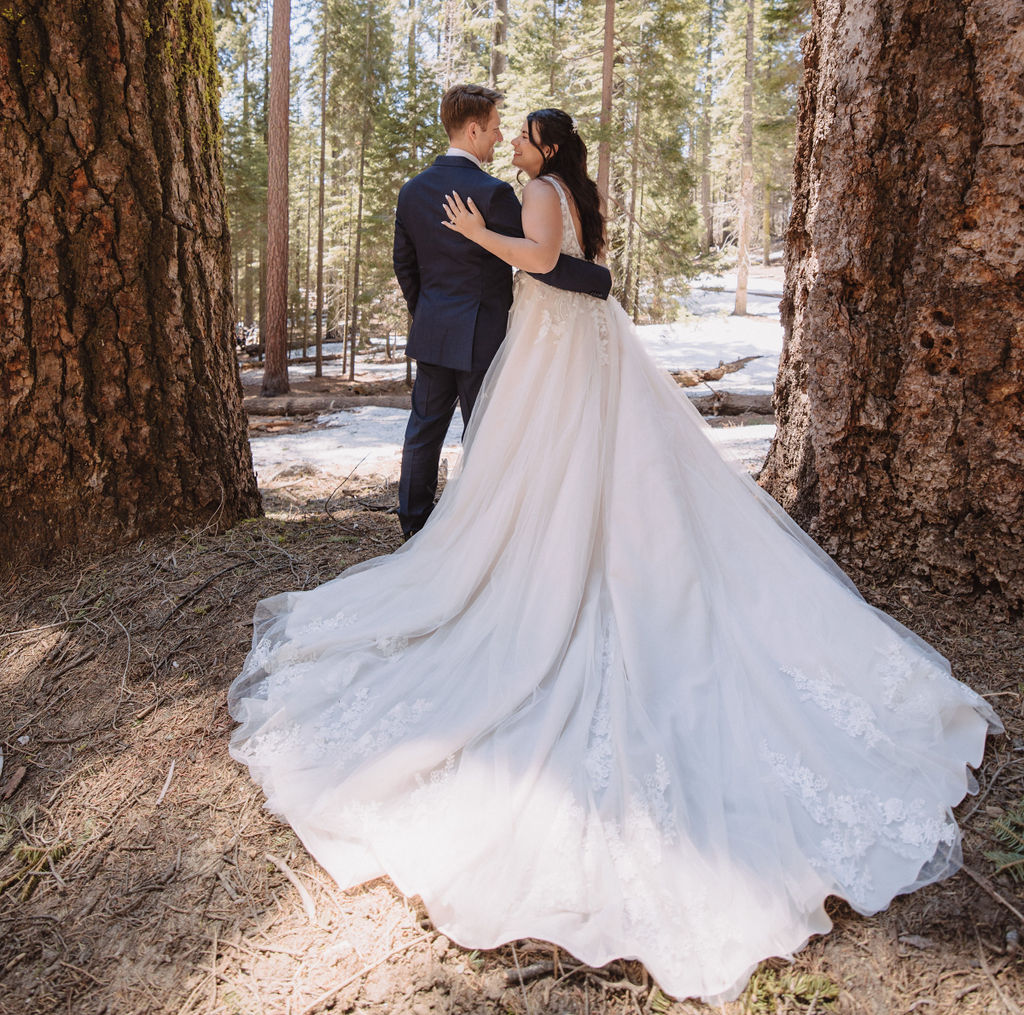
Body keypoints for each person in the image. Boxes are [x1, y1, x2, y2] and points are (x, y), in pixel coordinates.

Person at [229, 108, 1000, 1005]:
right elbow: (586, 272)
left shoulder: (533, 191)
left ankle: (563, 566)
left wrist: (486, 234)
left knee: (547, 468)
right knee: (551, 466)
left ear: (544, 149)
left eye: (524, 136)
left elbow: (552, 265)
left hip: (557, 346)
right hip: (563, 343)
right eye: (508, 133)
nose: (513, 145)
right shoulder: (561, 187)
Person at [392, 83, 611, 539]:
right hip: (484, 335)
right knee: (488, 436)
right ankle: (482, 530)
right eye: (493, 129)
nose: (499, 138)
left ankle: (414, 529)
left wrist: (429, 313)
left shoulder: (412, 191)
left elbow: (405, 264)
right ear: (473, 130)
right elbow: (540, 262)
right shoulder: (492, 193)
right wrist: (598, 280)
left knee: (423, 432)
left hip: (434, 332)